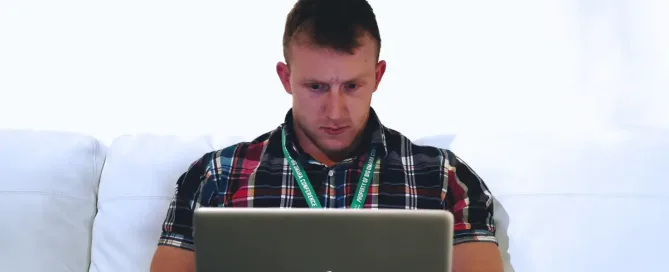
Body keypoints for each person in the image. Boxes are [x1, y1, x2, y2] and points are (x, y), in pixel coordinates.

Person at [150, 0, 503, 271]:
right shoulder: (217, 176)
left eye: (352, 86)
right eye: (316, 86)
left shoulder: (444, 178)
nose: (335, 112)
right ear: (286, 78)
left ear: (378, 77)